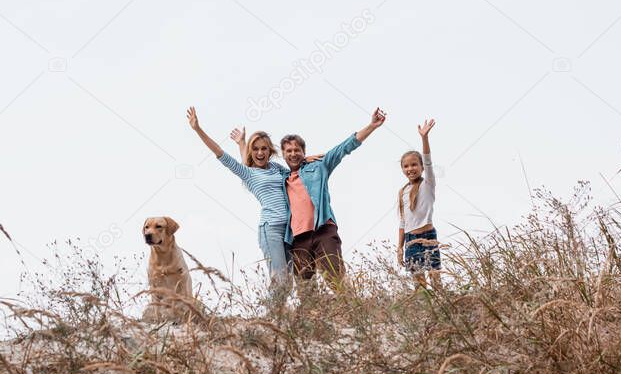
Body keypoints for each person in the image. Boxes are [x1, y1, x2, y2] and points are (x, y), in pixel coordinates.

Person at [186, 107, 292, 295]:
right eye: (255, 149)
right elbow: (220, 154)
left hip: (290, 230)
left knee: (287, 282)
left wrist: (311, 160)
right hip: (271, 229)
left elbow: (296, 172)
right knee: (280, 280)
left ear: (270, 151)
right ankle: (269, 319)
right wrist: (198, 129)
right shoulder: (249, 174)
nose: (260, 152)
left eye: (263, 148)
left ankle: (278, 320)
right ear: (251, 152)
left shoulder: (277, 168)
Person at [281, 108, 387, 289]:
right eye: (288, 151)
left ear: (303, 151)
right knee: (305, 292)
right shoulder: (281, 177)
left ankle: (355, 314)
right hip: (298, 239)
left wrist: (372, 126)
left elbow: (344, 148)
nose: (293, 154)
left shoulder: (319, 166)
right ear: (283, 154)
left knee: (337, 281)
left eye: (297, 150)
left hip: (323, 230)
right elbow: (254, 169)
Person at [397, 118, 440, 289]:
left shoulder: (427, 184)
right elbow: (402, 222)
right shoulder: (402, 192)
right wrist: (399, 248)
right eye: (406, 166)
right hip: (410, 241)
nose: (410, 169)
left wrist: (424, 138)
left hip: (429, 237)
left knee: (436, 282)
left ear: (421, 167)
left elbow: (429, 161)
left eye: (414, 164)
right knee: (420, 287)